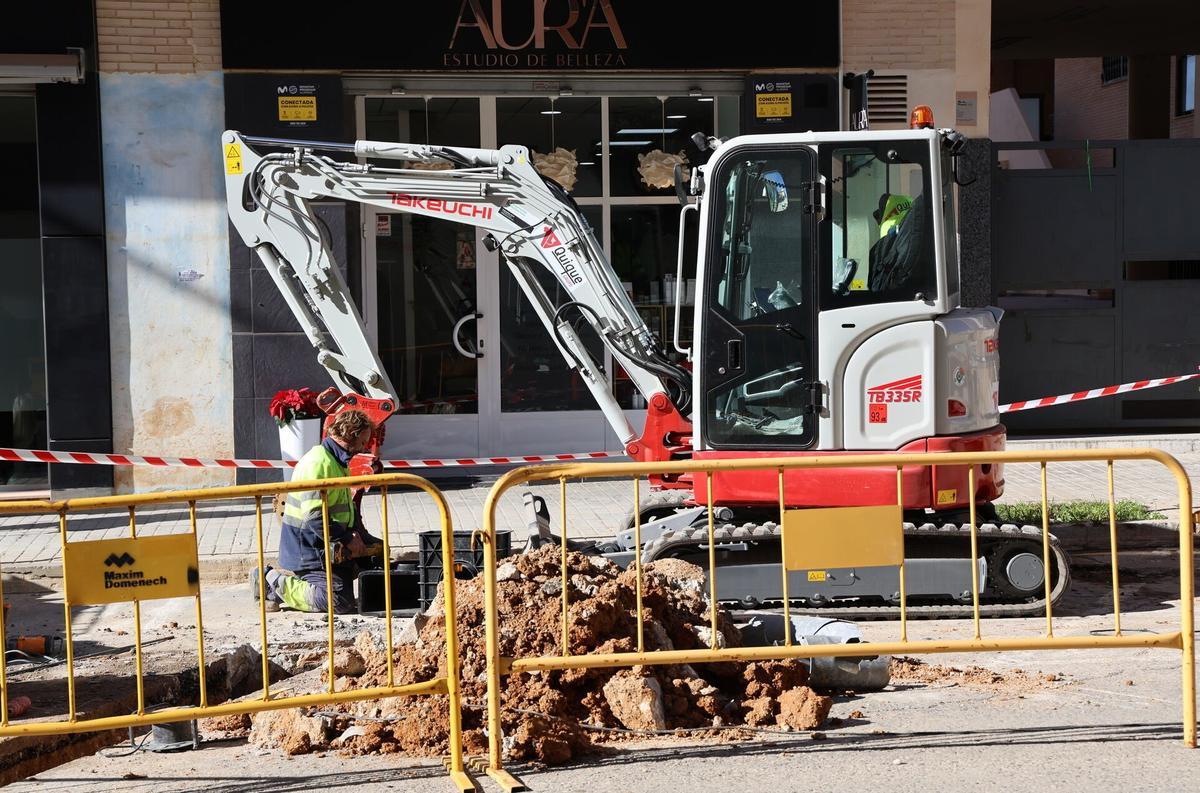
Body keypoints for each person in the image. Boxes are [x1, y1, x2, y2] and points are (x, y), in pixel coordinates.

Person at [250, 408, 383, 614]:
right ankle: (270, 581)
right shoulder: (318, 463)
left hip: (324, 542)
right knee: (338, 601)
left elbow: (345, 508)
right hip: (308, 550)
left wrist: (363, 538)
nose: (364, 447)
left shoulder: (338, 461)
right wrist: (348, 538)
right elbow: (315, 517)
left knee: (378, 556)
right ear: (351, 435)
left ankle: (340, 576)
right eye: (363, 441)